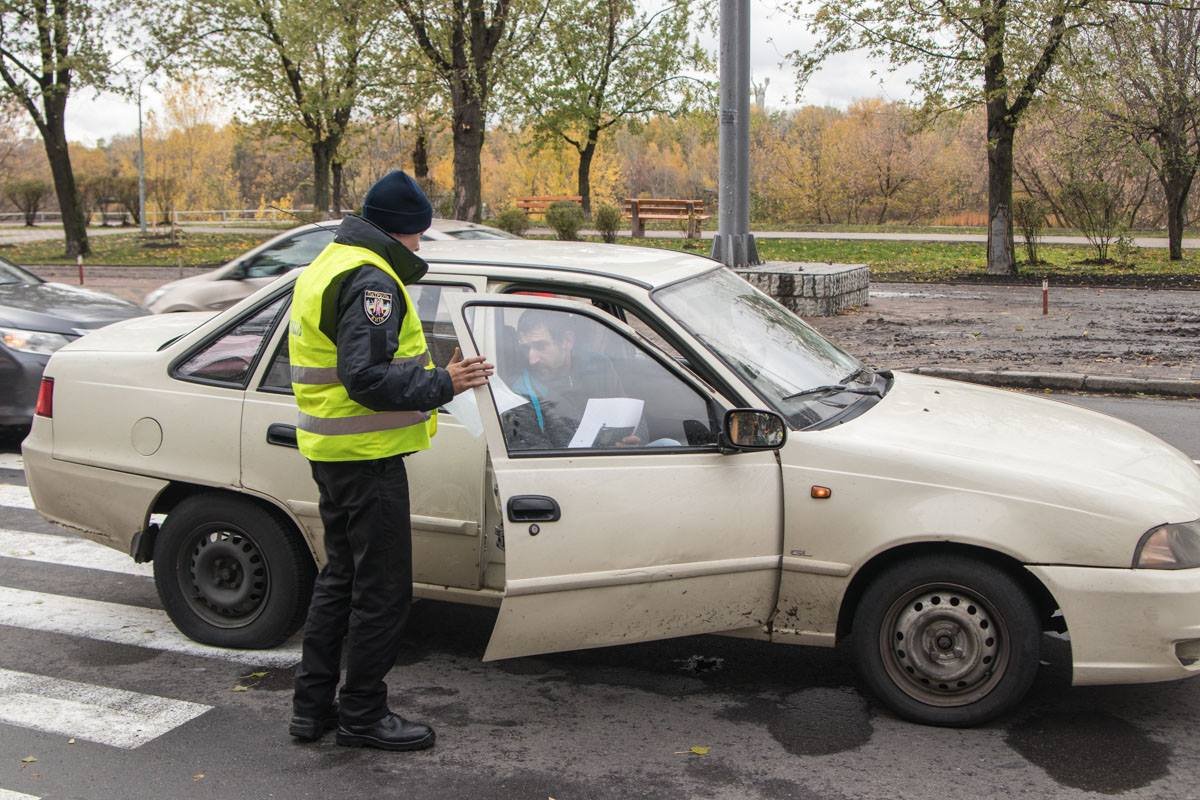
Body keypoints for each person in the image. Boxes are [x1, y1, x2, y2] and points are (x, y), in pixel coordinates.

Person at [287, 170, 493, 751]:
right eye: (418, 237)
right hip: (367, 455)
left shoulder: (328, 263)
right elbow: (366, 378)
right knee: (382, 591)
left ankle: (312, 709)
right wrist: (442, 382)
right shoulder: (371, 280)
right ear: (400, 231)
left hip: (334, 451)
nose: (419, 247)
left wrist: (432, 372)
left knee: (340, 580)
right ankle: (362, 715)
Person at [504, 308, 641, 449]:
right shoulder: (519, 391)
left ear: (567, 341)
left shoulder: (598, 367)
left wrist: (629, 440)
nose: (532, 359)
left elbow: (626, 415)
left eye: (540, 346)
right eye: (526, 348)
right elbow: (534, 456)